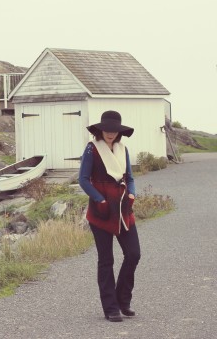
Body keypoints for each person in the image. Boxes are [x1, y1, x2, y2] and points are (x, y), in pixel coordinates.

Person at [79, 110, 141, 322]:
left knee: (133, 254)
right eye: (107, 129)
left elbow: (129, 177)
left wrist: (132, 193)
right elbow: (84, 180)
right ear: (100, 129)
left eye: (114, 130)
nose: (110, 133)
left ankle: (123, 300)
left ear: (119, 132)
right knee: (106, 260)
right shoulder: (92, 149)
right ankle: (110, 307)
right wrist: (100, 200)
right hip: (101, 212)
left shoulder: (123, 149)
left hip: (123, 210)